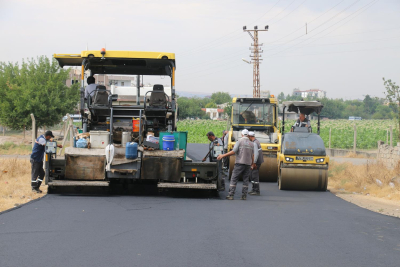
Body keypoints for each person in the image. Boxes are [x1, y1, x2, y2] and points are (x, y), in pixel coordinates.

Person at [217, 129, 258, 200]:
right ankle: (244, 195)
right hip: (248, 164)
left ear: (242, 135)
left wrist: (223, 155)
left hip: (239, 163)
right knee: (245, 180)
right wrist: (252, 164)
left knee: (234, 179)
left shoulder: (239, 141)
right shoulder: (252, 144)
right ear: (248, 135)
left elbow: (233, 151)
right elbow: (253, 155)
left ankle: (231, 195)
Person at [248, 131, 264, 196]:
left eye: (248, 136)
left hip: (256, 162)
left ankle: (256, 190)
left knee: (254, 176)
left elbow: (256, 154)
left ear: (250, 136)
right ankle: (253, 189)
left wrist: (254, 163)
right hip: (257, 161)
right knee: (252, 175)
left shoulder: (255, 143)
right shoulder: (256, 141)